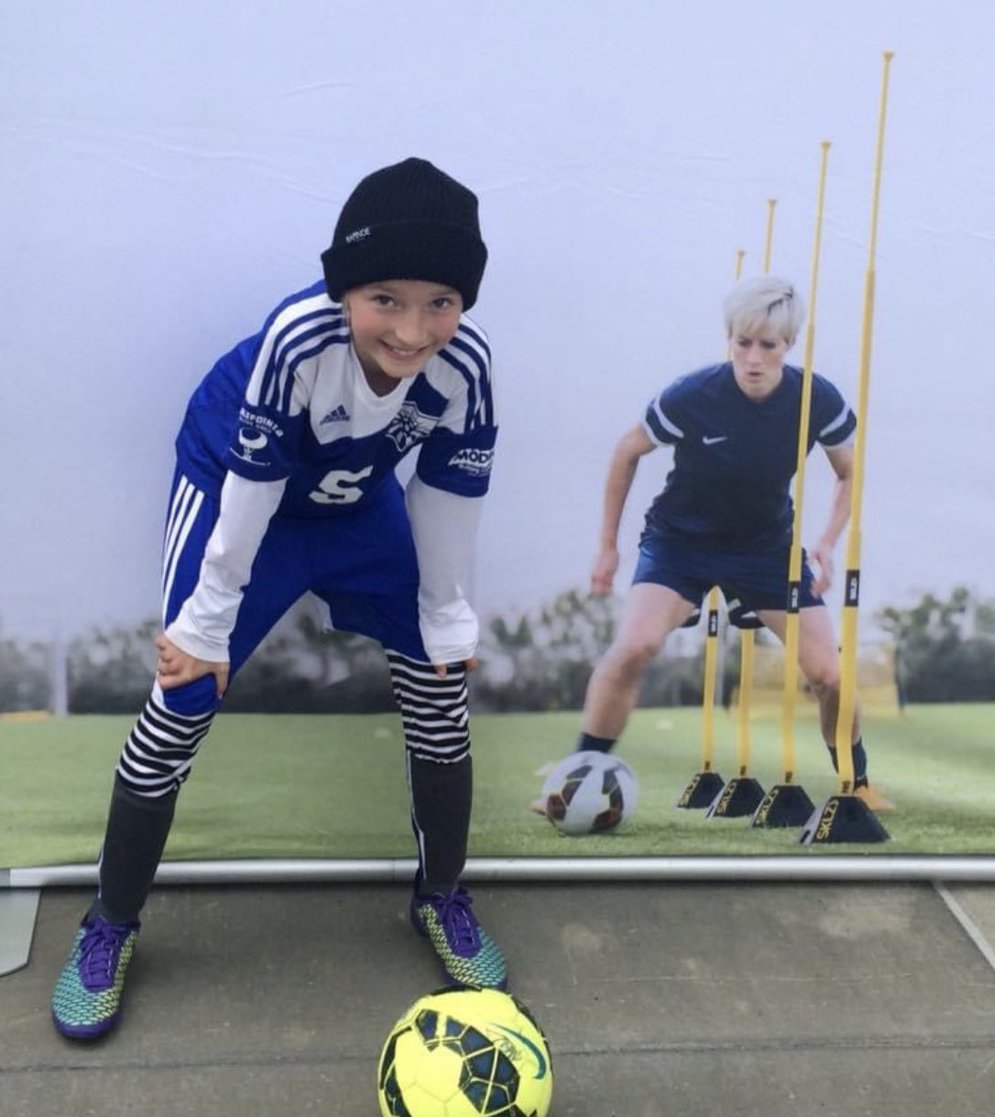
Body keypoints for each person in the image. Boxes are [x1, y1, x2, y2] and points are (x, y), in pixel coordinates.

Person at [52, 157, 508, 1042]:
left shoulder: (469, 367)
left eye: (441, 302)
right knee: (184, 692)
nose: (414, 331)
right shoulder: (299, 338)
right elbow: (254, 487)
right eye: (385, 298)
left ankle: (441, 897)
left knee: (441, 689)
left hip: (354, 505)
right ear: (345, 287)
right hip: (238, 491)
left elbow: (449, 497)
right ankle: (107, 924)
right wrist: (206, 623)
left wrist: (445, 616)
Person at [563, 274, 889, 811]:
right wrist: (607, 545)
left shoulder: (816, 398)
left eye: (768, 345)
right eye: (743, 343)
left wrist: (828, 541)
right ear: (729, 340)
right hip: (679, 543)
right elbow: (626, 452)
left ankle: (856, 785)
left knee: (831, 674)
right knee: (633, 649)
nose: (754, 358)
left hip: (766, 551)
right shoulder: (694, 394)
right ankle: (578, 781)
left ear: (788, 345)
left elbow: (849, 473)